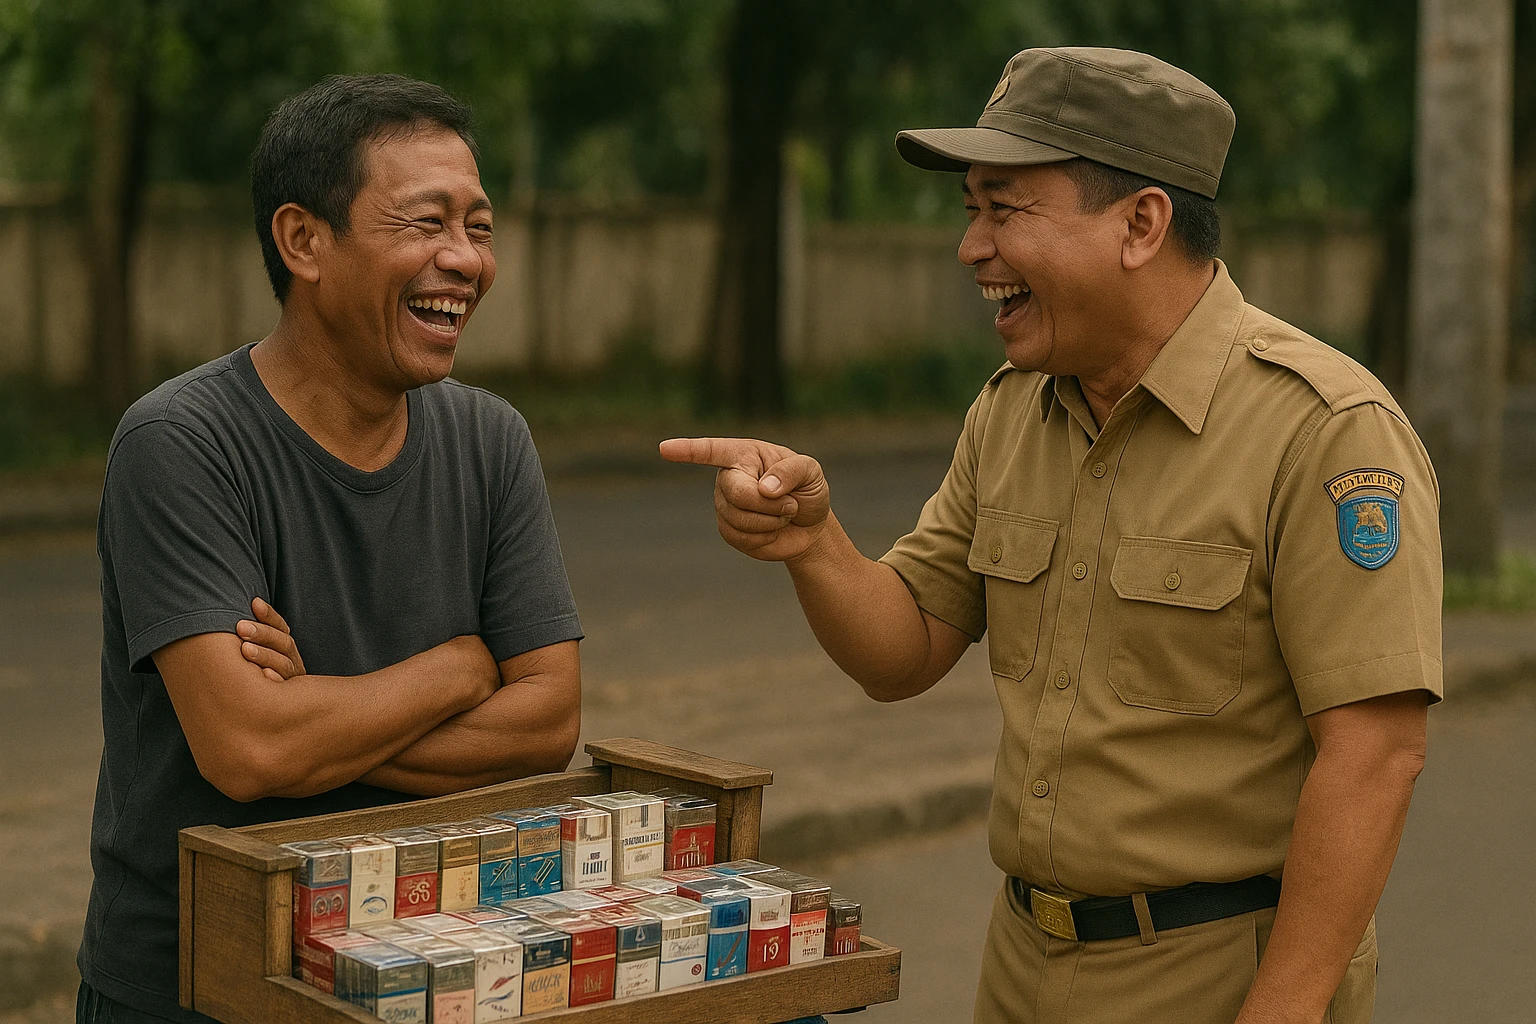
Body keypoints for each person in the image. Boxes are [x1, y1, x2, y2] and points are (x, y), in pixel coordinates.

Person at [662, 47, 1439, 1024]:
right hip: (1025, 960)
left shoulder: (1322, 429)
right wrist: (812, 541)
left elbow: (1375, 754)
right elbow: (903, 649)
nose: (971, 247)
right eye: (970, 209)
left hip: (1216, 974)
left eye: (1005, 207)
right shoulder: (1014, 411)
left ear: (1141, 223)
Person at [77, 75, 584, 1023]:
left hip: (426, 962)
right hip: (202, 982)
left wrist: (322, 713)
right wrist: (460, 666)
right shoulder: (181, 444)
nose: (463, 260)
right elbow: (251, 749)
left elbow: (548, 725)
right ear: (303, 240)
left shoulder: (490, 441)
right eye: (424, 223)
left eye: (478, 227)